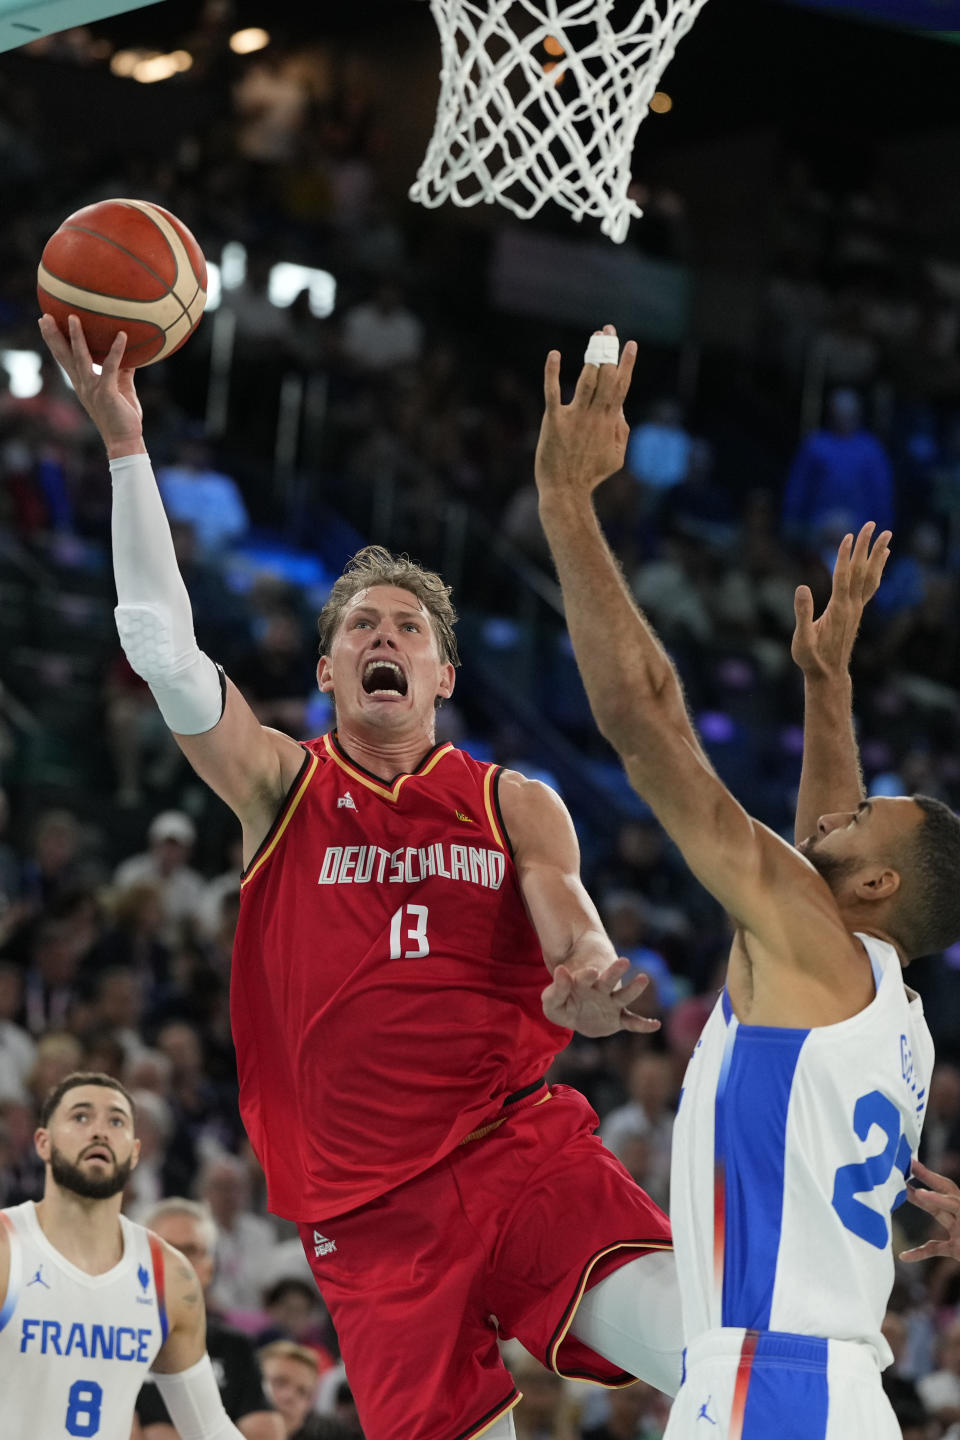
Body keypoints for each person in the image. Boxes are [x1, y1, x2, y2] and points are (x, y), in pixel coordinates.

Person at [39, 311, 683, 1440]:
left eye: (408, 626)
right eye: (361, 624)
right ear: (331, 664)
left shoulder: (508, 798)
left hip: (516, 1151)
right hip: (366, 1218)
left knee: (714, 1352)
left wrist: (586, 971)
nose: (384, 633)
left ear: (440, 671)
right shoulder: (276, 787)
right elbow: (157, 637)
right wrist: (125, 445)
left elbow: (567, 915)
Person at [533, 323, 960, 1440]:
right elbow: (830, 843)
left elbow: (649, 724)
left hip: (775, 1393)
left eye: (867, 817)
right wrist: (829, 692)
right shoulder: (889, 1009)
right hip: (816, 1387)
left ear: (874, 885)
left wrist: (568, 507)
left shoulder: (821, 958)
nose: (837, 811)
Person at [0, 1070, 248, 1440]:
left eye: (116, 1121)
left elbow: (209, 1429)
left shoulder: (169, 1275)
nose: (99, 1131)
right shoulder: (7, 1248)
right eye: (80, 1116)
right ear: (43, 1143)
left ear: (134, 1153)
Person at [135, 1196, 282, 1440]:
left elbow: (265, 1434)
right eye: (165, 1248)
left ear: (209, 1268)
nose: (179, 1261)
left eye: (191, 1250)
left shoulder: (236, 1347)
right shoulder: (115, 1336)